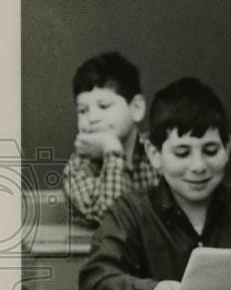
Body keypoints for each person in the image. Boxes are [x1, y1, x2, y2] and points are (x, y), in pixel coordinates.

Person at [79, 77, 231, 290]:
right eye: (182, 153)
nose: (198, 166)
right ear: (155, 154)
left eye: (210, 151)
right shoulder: (130, 211)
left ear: (227, 148)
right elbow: (96, 278)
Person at [62, 51, 159, 226]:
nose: (92, 118)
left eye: (103, 106)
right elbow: (114, 221)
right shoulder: (78, 167)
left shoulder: (158, 153)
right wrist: (112, 149)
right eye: (83, 110)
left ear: (136, 108)